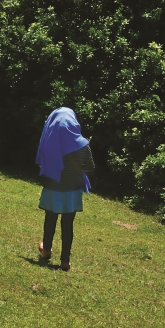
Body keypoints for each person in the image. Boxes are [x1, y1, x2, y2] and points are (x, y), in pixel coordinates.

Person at [34, 107, 94, 272]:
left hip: (53, 187)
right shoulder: (83, 144)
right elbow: (89, 168)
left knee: (50, 219)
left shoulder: (49, 142)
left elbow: (42, 163)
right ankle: (65, 261)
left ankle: (46, 250)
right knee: (68, 224)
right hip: (73, 190)